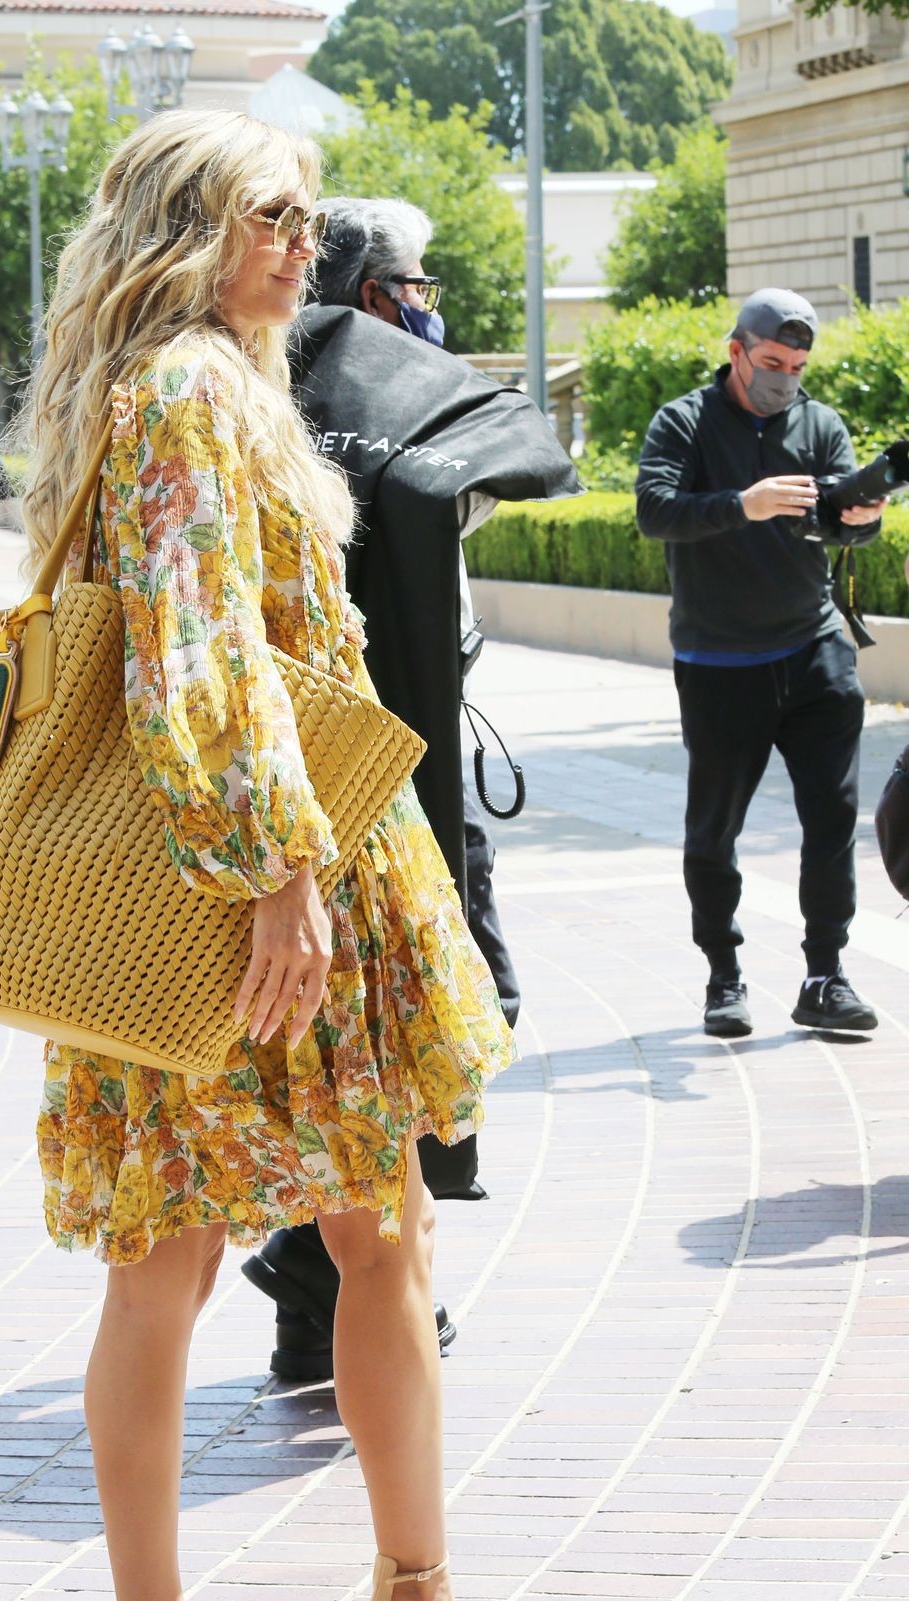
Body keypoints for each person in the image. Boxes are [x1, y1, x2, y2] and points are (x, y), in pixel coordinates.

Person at [10, 110, 531, 1601]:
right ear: (186, 231)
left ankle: (414, 1598)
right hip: (243, 875)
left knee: (374, 1232)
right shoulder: (181, 387)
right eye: (271, 217)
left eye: (308, 217)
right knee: (180, 1260)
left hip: (280, 859)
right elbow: (197, 650)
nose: (306, 245)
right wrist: (277, 876)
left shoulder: (216, 380)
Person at [246, 195, 579, 1382]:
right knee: (421, 1033)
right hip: (366, 792)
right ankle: (339, 1281)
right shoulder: (314, 414)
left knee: (353, 1045)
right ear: (365, 293)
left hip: (379, 773)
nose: (426, 309)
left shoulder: (355, 407)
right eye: (414, 286)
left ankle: (317, 1302)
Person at [636, 288, 884, 1039]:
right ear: (737, 350)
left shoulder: (820, 424)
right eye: (773, 363)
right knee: (714, 829)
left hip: (814, 649)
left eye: (798, 368)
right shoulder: (684, 422)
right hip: (718, 658)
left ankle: (824, 977)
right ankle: (724, 976)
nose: (786, 379)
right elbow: (655, 511)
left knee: (833, 819)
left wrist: (860, 520)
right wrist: (742, 503)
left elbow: (838, 528)